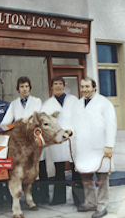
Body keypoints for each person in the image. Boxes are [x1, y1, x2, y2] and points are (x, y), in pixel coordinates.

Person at [0, 76, 48, 203]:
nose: (24, 89)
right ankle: (24, 196)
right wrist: (2, 129)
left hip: (34, 138)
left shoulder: (37, 101)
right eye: (22, 87)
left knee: (37, 167)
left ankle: (41, 196)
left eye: (26, 86)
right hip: (20, 143)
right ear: (18, 89)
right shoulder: (14, 104)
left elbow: (41, 119)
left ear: (30, 88)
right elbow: (6, 121)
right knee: (22, 168)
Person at [74, 77, 117, 218]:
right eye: (82, 87)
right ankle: (90, 202)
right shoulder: (79, 103)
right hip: (84, 148)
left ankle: (102, 205)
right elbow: (75, 123)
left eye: (87, 86)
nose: (85, 89)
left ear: (94, 87)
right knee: (86, 176)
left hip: (100, 146)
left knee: (102, 176)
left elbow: (111, 125)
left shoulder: (104, 103)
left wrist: (109, 145)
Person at [41, 76, 84, 206]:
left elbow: (80, 118)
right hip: (57, 140)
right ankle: (59, 198)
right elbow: (44, 123)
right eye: (55, 84)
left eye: (60, 84)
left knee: (75, 169)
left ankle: (79, 199)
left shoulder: (74, 100)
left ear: (64, 86)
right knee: (59, 169)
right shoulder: (47, 104)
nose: (58, 86)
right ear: (52, 87)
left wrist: (72, 130)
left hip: (72, 138)